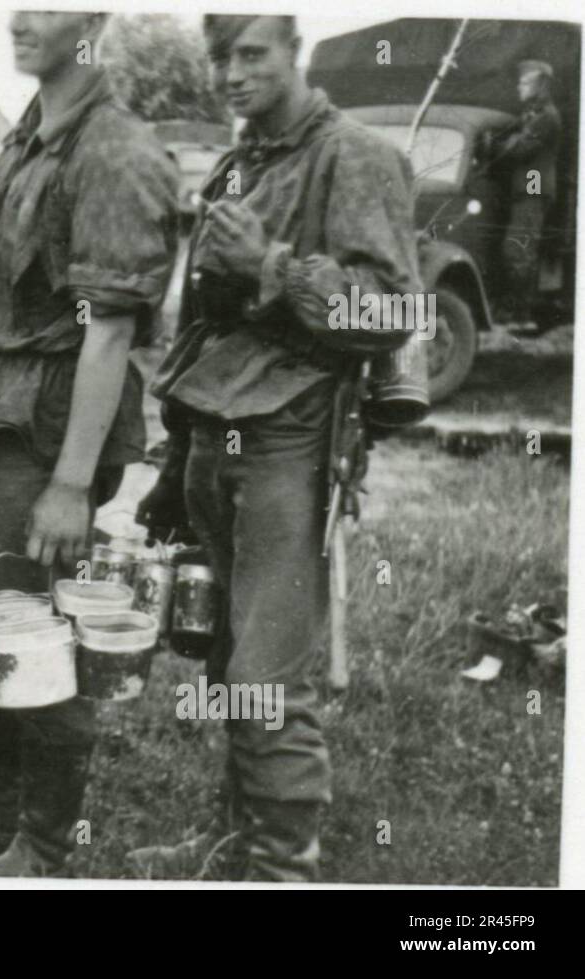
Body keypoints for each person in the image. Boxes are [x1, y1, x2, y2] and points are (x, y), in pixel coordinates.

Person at [132, 14, 420, 881]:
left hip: (295, 438)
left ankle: (281, 869)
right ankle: (236, 833)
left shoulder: (355, 155)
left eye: (250, 53)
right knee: (223, 647)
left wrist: (276, 266)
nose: (229, 72)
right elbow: (206, 331)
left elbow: (391, 313)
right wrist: (176, 461)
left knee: (268, 671)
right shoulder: (239, 162)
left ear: (297, 53)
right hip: (219, 434)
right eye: (219, 57)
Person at [0, 10, 178, 877]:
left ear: (94, 20)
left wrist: (68, 484)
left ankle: (47, 843)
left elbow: (110, 333)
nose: (21, 16)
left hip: (44, 430)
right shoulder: (32, 133)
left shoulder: (117, 151)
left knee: (31, 637)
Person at [482, 60, 561, 332]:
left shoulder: (545, 117)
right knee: (517, 250)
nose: (519, 87)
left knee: (519, 250)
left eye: (525, 83)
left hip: (533, 189)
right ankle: (515, 311)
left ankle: (522, 315)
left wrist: (493, 145)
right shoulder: (532, 114)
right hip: (527, 189)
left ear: (540, 86)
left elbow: (520, 148)